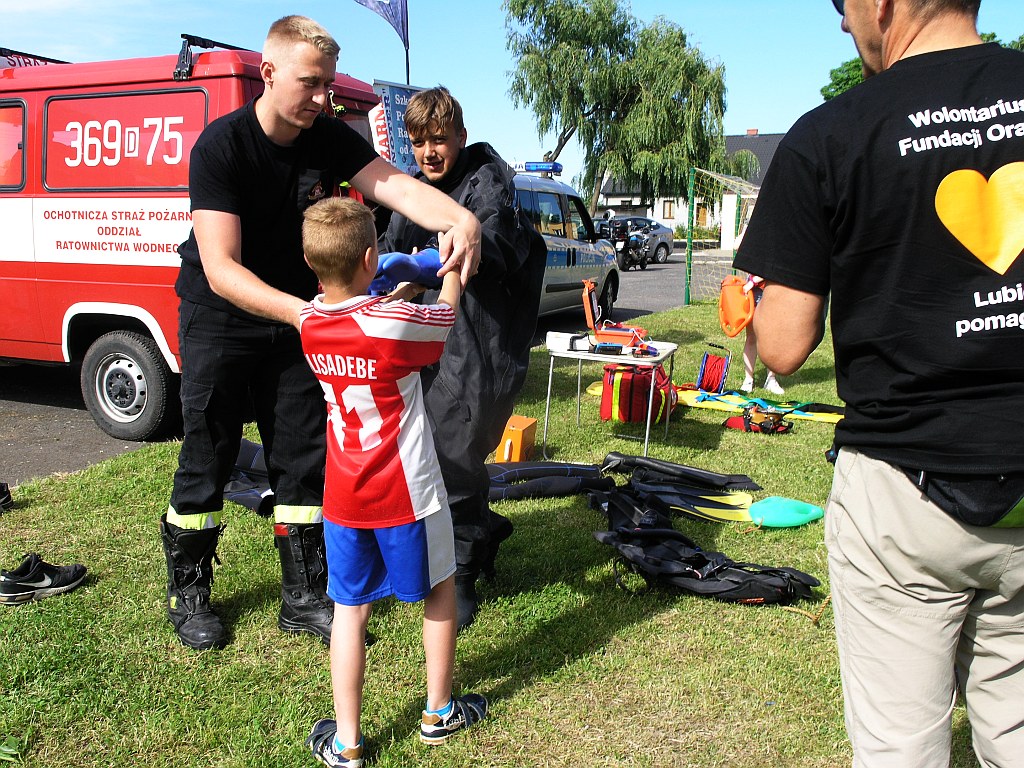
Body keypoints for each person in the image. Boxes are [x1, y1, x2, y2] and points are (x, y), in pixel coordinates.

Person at [734, 1, 1024, 765]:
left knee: (900, 747)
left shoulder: (832, 133)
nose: (841, 24)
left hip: (903, 494)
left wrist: (760, 295)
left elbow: (786, 347)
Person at [161, 16, 482, 651]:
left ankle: (303, 591)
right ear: (269, 71)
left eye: (329, 84)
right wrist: (306, 314)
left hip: (300, 317)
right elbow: (222, 268)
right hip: (223, 315)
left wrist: (460, 218)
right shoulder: (220, 147)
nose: (323, 98)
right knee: (211, 447)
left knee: (303, 452)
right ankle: (190, 586)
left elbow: (394, 186)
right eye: (311, 83)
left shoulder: (328, 136)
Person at [299, 197, 488, 767]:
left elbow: (372, 318)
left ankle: (348, 742)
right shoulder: (391, 322)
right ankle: (437, 711)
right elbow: (443, 319)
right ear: (368, 255)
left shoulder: (310, 322)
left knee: (349, 609)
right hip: (408, 491)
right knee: (439, 589)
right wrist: (450, 270)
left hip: (343, 495)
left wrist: (391, 285)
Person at [380, 86, 546, 630]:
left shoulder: (487, 184)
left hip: (478, 344)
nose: (431, 153)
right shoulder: (413, 192)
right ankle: (472, 534)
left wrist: (422, 264)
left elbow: (491, 244)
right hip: (422, 344)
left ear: (460, 138)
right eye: (420, 142)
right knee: (420, 451)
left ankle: (466, 563)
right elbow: (388, 247)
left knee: (455, 450)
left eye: (440, 141)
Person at [738, 274, 784, 395]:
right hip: (755, 291)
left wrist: (753, 281)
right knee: (751, 338)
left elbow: (774, 265)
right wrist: (752, 282)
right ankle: (748, 380)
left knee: (772, 338)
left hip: (774, 289)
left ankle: (771, 379)